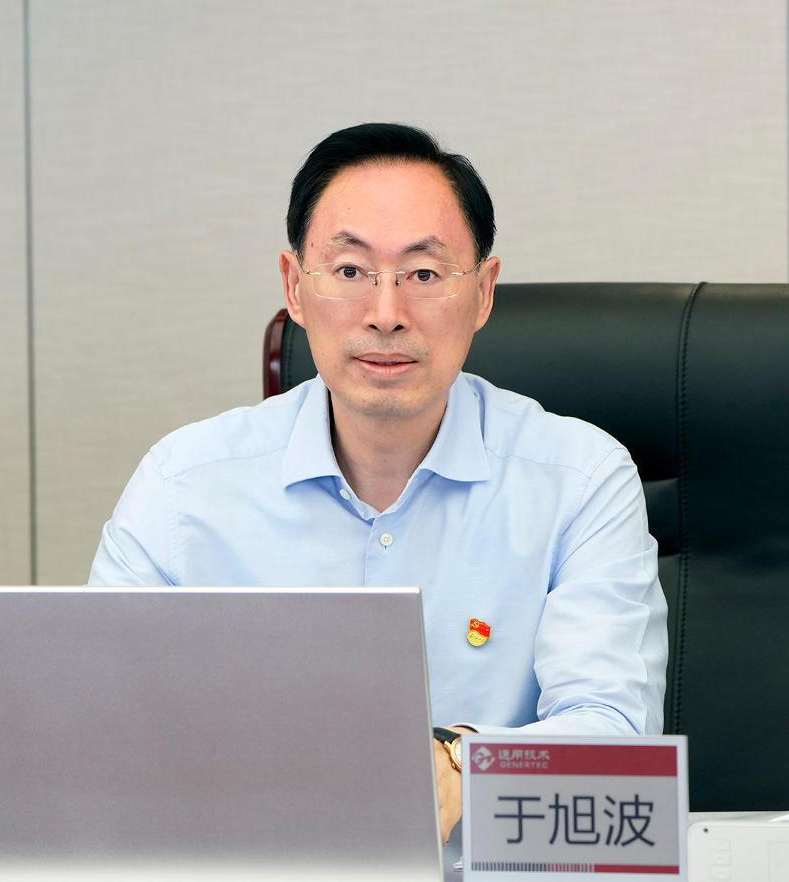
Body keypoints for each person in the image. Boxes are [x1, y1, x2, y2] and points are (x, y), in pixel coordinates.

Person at [87, 122, 668, 842]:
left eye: (423, 274)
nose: (386, 315)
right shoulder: (184, 486)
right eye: (349, 271)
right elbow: (99, 727)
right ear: (294, 288)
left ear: (483, 292)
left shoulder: (579, 480)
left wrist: (459, 766)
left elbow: (614, 736)